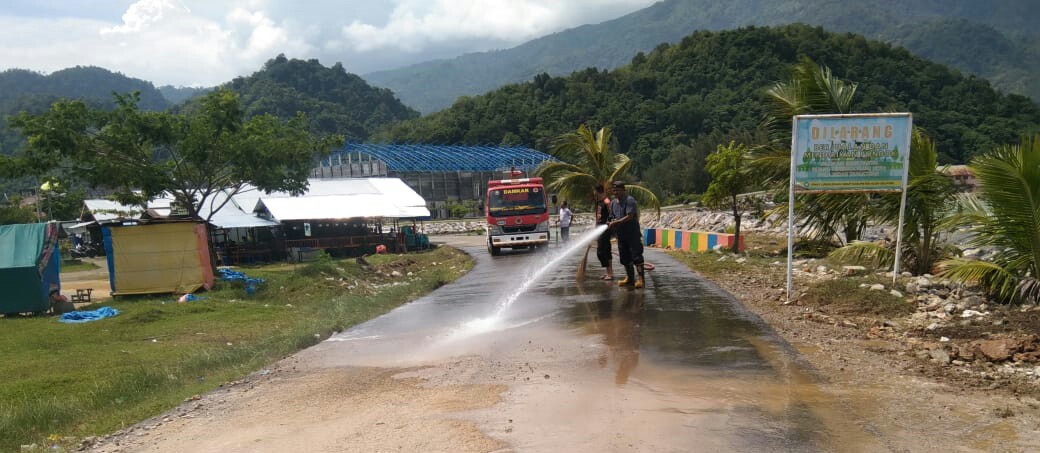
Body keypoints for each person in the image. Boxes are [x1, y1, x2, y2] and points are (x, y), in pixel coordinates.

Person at [608, 180, 645, 289]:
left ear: (623, 190)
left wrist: (616, 222)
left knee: (636, 257)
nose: (615, 193)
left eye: (618, 190)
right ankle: (630, 278)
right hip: (621, 235)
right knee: (624, 258)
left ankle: (641, 279)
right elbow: (611, 216)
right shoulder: (613, 203)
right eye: (614, 191)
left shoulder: (629, 200)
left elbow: (629, 216)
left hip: (632, 234)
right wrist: (609, 221)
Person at [593, 185, 614, 280]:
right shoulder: (598, 202)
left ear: (596, 191)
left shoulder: (606, 201)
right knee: (606, 251)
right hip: (599, 228)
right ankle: (609, 273)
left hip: (605, 229)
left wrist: (609, 224)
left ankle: (610, 273)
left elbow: (612, 213)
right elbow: (598, 216)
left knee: (601, 251)